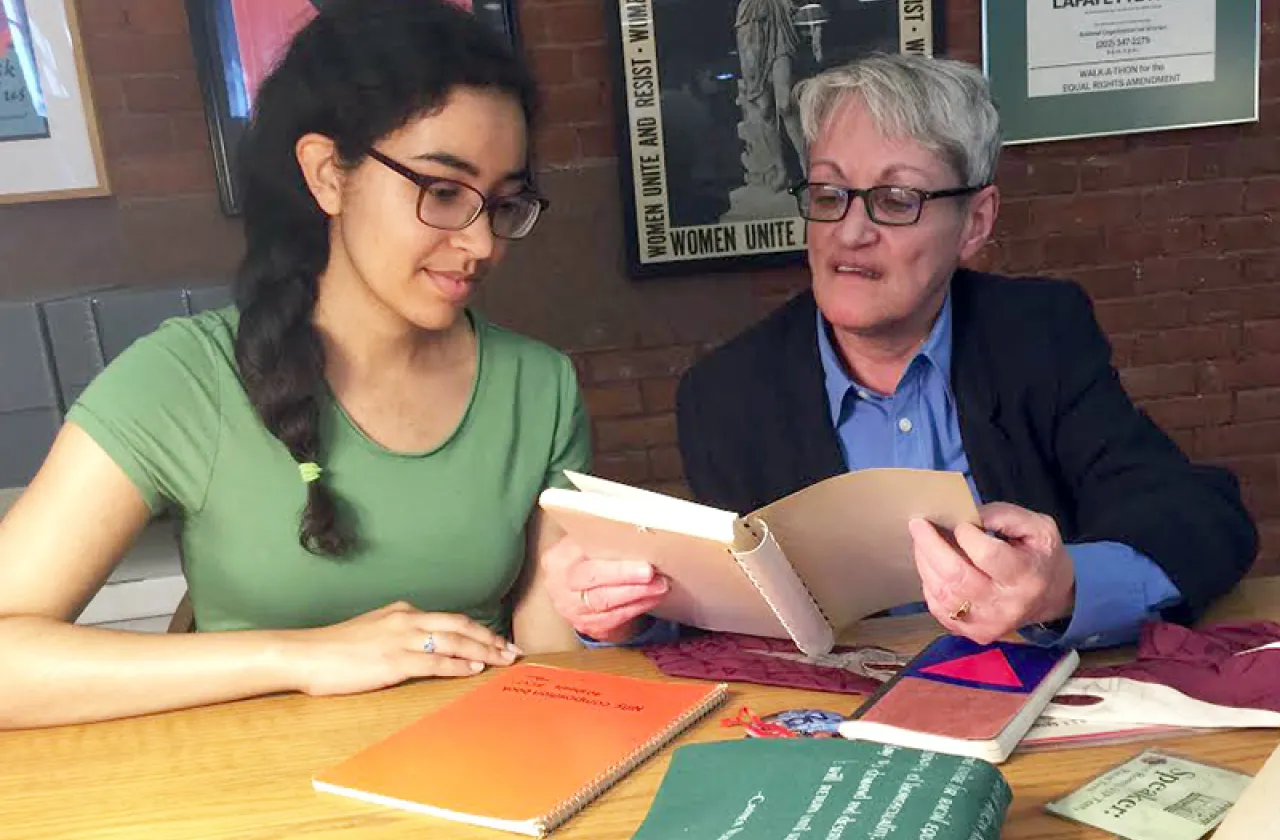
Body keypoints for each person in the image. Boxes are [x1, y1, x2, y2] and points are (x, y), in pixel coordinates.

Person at [0, 0, 588, 730]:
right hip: (256, 794)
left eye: (503, 204)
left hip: (480, 776)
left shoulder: (539, 386)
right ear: (327, 175)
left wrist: (613, 617)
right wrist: (303, 657)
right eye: (442, 192)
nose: (481, 244)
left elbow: (552, 661)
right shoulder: (184, 379)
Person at [543, 53, 1257, 650]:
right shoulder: (727, 392)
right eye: (828, 193)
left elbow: (1201, 516)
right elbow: (739, 621)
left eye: (895, 199)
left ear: (975, 223)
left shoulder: (1038, 334)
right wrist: (625, 613)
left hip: (1039, 704)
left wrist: (1062, 584)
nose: (849, 233)